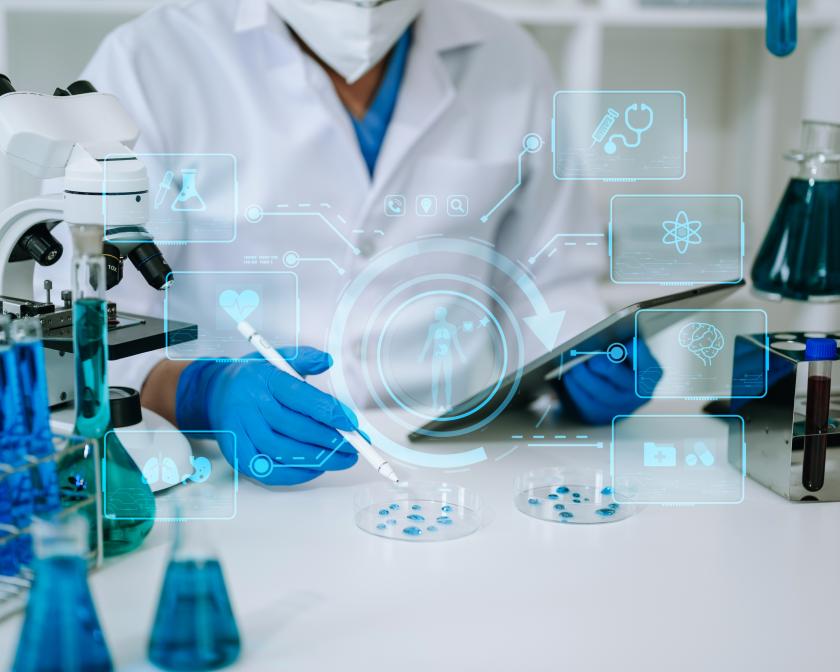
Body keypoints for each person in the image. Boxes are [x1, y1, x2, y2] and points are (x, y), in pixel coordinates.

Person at [76, 0, 652, 485]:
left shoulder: (510, 60)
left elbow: (551, 279)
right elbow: (95, 328)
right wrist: (203, 394)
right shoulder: (151, 60)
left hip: (454, 457)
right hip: (219, 472)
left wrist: (584, 352)